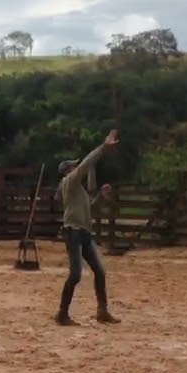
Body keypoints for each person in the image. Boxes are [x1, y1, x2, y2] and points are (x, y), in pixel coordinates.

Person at [53, 129, 120, 325]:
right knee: (75, 274)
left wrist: (100, 195)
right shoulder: (70, 182)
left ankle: (102, 311)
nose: (76, 167)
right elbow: (86, 165)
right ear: (67, 170)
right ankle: (62, 314)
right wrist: (103, 148)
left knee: (99, 271)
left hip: (82, 232)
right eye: (73, 166)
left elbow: (90, 207)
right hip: (73, 232)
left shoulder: (77, 190)